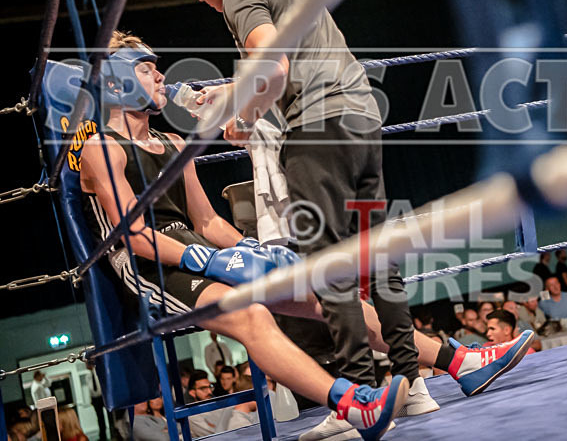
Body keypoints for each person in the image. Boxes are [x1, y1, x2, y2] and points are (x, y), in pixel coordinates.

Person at [80, 31, 534, 440]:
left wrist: (249, 251)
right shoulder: (102, 149)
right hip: (148, 267)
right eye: (146, 68)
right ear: (118, 83)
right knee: (252, 315)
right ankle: (353, 403)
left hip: (194, 252)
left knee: (326, 297)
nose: (160, 75)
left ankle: (461, 363)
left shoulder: (175, 145)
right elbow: (135, 237)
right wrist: (206, 262)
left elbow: (207, 223)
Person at [170, 0, 432, 440]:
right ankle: (412, 384)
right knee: (376, 256)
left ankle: (358, 401)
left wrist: (244, 117)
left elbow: (273, 63)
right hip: (361, 121)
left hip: (318, 132)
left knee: (330, 265)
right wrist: (229, 94)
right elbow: (299, 62)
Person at [86, 364, 108, 441]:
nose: (85, 366)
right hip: (95, 399)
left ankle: (114, 432)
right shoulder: (88, 376)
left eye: (86, 363)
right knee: (100, 418)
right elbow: (90, 390)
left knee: (110, 415)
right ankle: (103, 437)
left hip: (103, 397)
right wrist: (91, 400)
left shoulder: (99, 372)